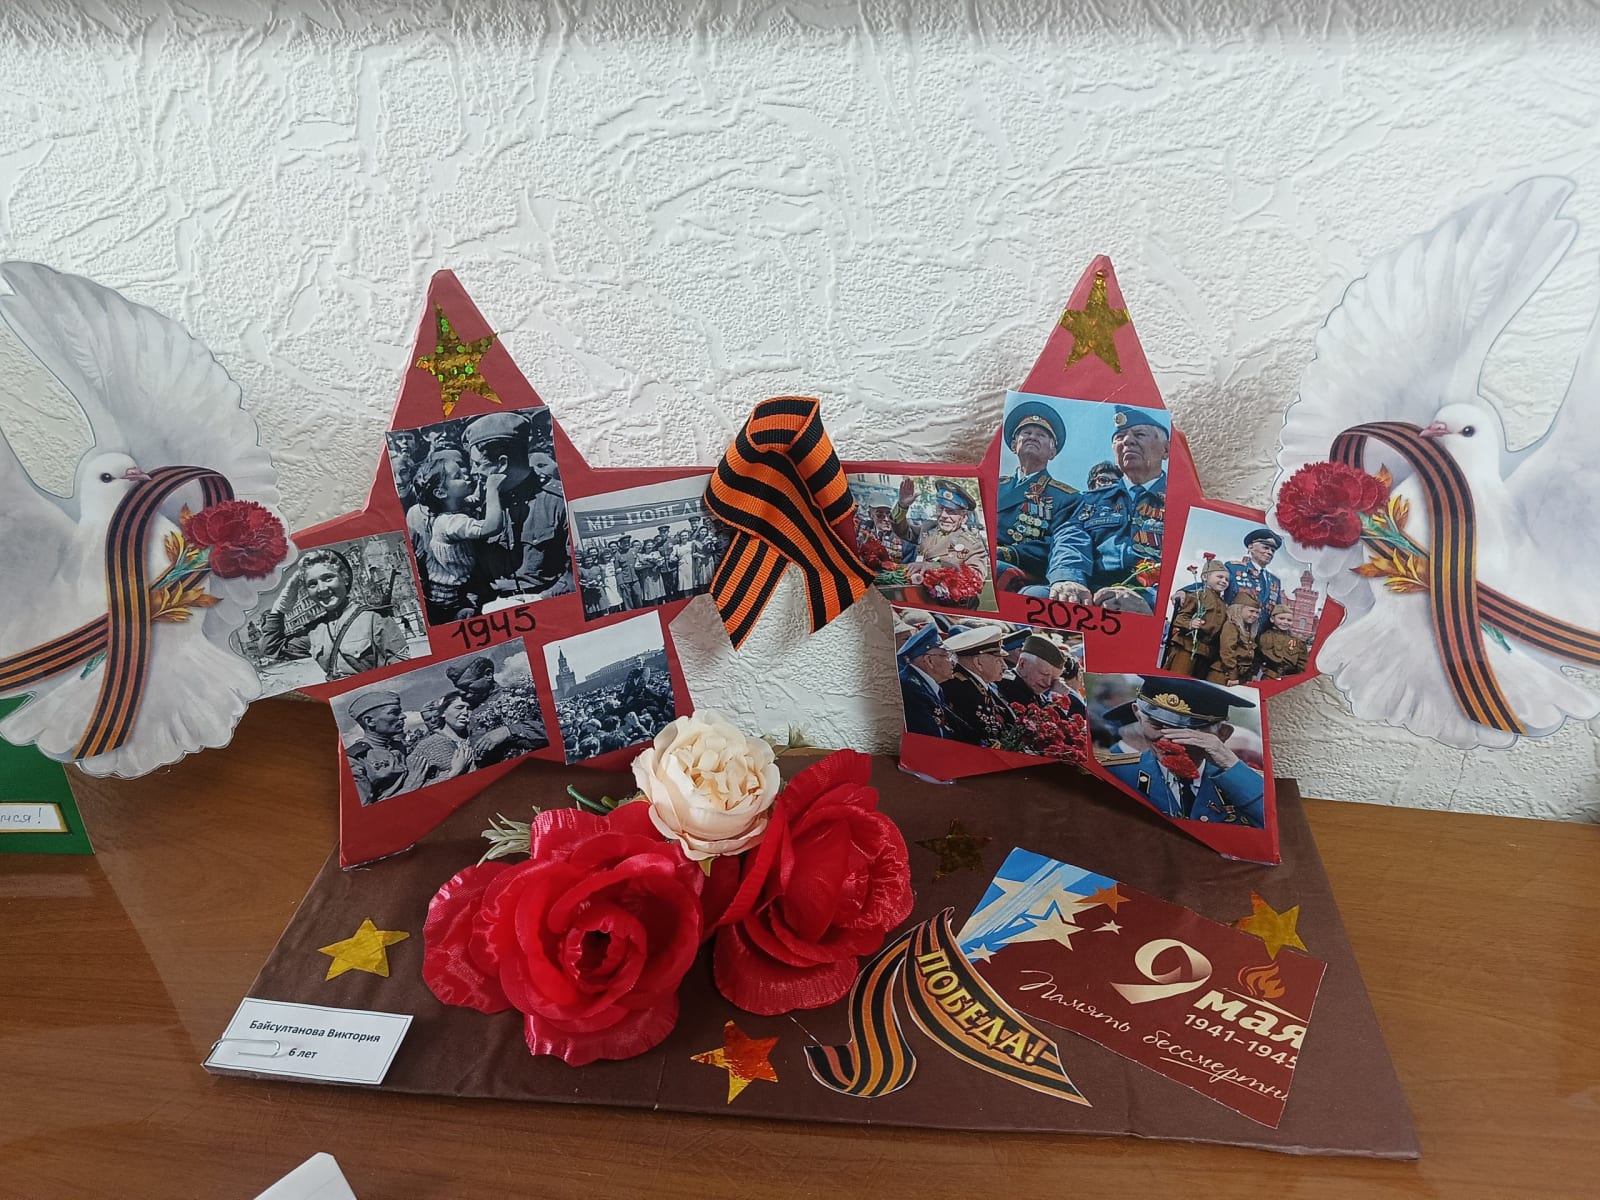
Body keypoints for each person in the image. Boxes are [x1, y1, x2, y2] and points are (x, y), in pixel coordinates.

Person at [1098, 677, 1266, 826]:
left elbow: (1272, 826)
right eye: (1156, 726)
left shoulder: (1244, 783)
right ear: (1138, 715)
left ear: (1222, 734)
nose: (1167, 740)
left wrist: (1230, 764)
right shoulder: (1112, 774)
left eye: (1186, 732)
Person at [1045, 405, 1168, 608]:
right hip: (1089, 592)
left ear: (1166, 450)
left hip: (1148, 598)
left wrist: (1152, 601)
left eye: (1139, 434)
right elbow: (1070, 538)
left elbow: (1187, 563)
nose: (1127, 441)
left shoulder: (1180, 504)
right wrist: (1069, 578)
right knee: (1034, 595)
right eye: (1119, 437)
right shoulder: (1090, 501)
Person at [461, 412, 573, 604]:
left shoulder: (559, 501)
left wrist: (542, 598)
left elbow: (578, 570)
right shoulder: (478, 505)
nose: (473, 471)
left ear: (502, 463)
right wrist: (471, 605)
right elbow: (472, 571)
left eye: (477, 464)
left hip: (550, 603)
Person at [259, 547, 409, 681]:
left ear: (344, 578)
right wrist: (279, 610)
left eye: (328, 578)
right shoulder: (314, 631)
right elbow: (271, 649)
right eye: (312, 584)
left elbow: (404, 672)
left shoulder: (375, 619)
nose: (322, 589)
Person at [412, 451, 506, 625]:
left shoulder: (449, 508)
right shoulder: (450, 523)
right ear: (441, 493)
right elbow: (491, 527)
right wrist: (493, 489)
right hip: (451, 596)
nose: (466, 476)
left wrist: (480, 485)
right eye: (458, 477)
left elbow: (474, 499)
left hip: (456, 587)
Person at [995, 400, 1077, 588]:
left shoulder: (1066, 497)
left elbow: (1055, 544)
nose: (1032, 437)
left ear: (1052, 452)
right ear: (1014, 445)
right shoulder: (996, 484)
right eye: (1027, 433)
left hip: (1020, 569)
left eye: (1041, 435)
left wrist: (1006, 553)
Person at [892, 478, 990, 604]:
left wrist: (935, 567)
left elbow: (975, 578)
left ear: (964, 517)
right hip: (917, 596)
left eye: (951, 511)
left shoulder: (973, 544)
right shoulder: (928, 528)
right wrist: (902, 506)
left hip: (949, 606)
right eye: (941, 508)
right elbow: (902, 531)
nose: (943, 515)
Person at [446, 655, 548, 766]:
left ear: (488, 674)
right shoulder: (465, 708)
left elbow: (551, 731)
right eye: (458, 688)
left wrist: (508, 731)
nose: (461, 692)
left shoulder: (519, 697)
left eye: (466, 685)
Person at [940, 623, 1015, 745]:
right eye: (998, 660)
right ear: (978, 662)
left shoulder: (973, 684)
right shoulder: (962, 690)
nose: (1005, 666)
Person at [897, 623, 973, 740]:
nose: (953, 662)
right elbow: (932, 738)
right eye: (946, 655)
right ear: (929, 660)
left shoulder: (924, 684)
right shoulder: (910, 689)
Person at [1161, 561, 1230, 677]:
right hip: (1186, 647)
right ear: (1205, 577)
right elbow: (1180, 618)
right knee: (1177, 679)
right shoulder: (1197, 595)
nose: (1224, 581)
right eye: (1220, 577)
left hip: (1206, 653)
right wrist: (1190, 623)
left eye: (1227, 580)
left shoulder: (1224, 605)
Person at [344, 689, 410, 805]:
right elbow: (366, 808)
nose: (403, 716)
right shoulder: (355, 759)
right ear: (370, 721)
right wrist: (411, 785)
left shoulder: (398, 745)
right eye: (394, 712)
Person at [402, 690, 476, 791]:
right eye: (459, 708)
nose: (465, 712)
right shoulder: (431, 744)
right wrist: (452, 773)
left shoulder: (471, 733)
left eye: (469, 709)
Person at [996, 634, 1085, 717]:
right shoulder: (1006, 684)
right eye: (1044, 674)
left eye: (1054, 678)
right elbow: (1034, 723)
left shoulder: (1036, 693)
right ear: (1022, 664)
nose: (1048, 682)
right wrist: (1056, 698)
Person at [1224, 528, 1285, 632]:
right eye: (1265, 548)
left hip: (1261, 635)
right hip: (1233, 631)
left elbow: (1277, 611)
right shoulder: (1233, 569)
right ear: (1251, 547)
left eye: (1272, 551)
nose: (1269, 552)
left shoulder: (1275, 581)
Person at [1209, 593, 1263, 686]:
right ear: (1239, 609)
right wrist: (1233, 675)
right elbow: (1227, 652)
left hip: (1240, 676)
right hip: (1224, 675)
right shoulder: (1231, 625)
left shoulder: (1250, 630)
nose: (1255, 615)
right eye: (1251, 611)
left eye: (1257, 613)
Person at [1257, 604, 1310, 680]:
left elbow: (1303, 664)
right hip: (1268, 678)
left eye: (1289, 620)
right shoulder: (1264, 637)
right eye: (1281, 618)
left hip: (1289, 680)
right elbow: (1258, 659)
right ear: (1272, 619)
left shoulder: (1298, 642)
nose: (1285, 622)